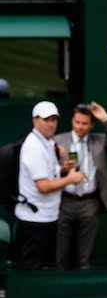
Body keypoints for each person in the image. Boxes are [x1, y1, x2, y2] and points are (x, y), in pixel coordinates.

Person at [54, 101, 107, 269]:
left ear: (92, 125)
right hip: (64, 202)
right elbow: (46, 170)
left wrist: (106, 119)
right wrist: (61, 169)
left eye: (84, 123)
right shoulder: (59, 141)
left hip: (89, 203)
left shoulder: (99, 141)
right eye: (77, 122)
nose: (80, 127)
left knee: (84, 258)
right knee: (61, 256)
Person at [14, 101, 85, 270]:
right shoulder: (34, 148)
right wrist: (70, 179)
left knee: (44, 267)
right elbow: (43, 186)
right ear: (35, 120)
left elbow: (48, 174)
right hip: (34, 223)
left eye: (54, 119)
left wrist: (62, 169)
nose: (51, 124)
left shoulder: (46, 142)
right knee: (31, 271)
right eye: (46, 120)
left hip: (46, 218)